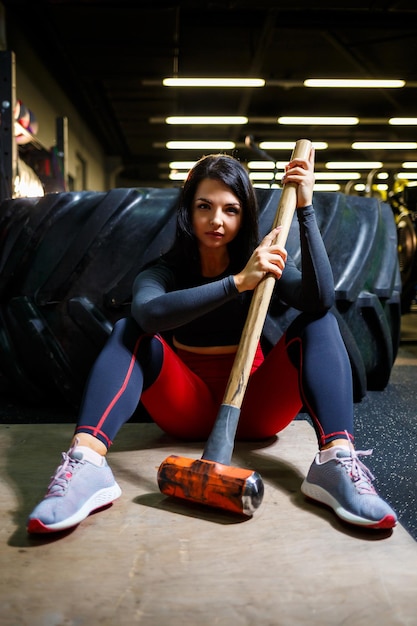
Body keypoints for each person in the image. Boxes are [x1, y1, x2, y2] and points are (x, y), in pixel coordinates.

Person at [27, 149, 397, 534]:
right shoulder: (165, 271)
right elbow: (149, 315)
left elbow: (320, 300)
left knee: (319, 322)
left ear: (244, 215)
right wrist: (237, 283)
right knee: (128, 330)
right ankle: (86, 465)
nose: (216, 220)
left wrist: (306, 209)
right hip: (184, 408)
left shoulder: (262, 263)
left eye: (231, 210)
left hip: (254, 410)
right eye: (205, 206)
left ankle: (336, 463)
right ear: (189, 210)